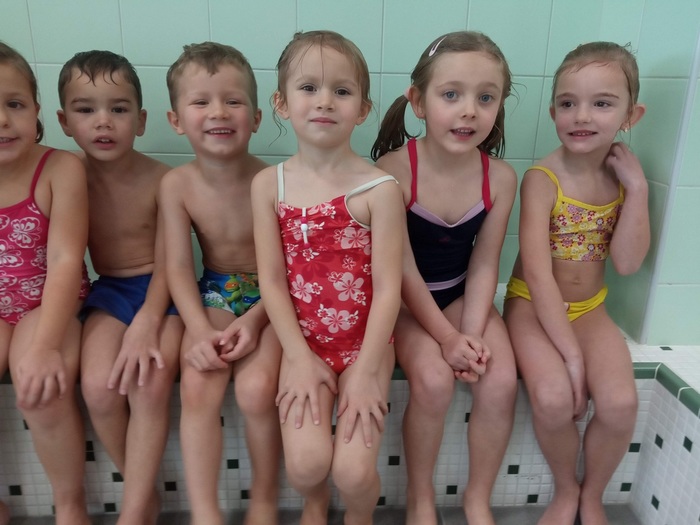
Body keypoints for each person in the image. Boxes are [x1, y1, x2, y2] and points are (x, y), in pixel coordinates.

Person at [252, 30, 404, 525]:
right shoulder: (269, 185)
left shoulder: (380, 189)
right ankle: (314, 502)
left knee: (354, 473)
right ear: (281, 102)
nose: (324, 101)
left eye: (341, 90)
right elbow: (272, 281)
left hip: (368, 345)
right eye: (308, 88)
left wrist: (366, 371)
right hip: (304, 344)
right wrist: (297, 358)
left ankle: (359, 515)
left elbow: (390, 288)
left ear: (362, 109)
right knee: (306, 465)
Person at [372, 31, 518, 525]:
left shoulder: (500, 178)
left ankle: (477, 498)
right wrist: (448, 339)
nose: (469, 111)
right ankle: (420, 499)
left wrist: (470, 334)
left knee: (500, 380)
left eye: (486, 97)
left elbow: (484, 263)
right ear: (418, 101)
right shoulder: (392, 172)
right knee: (433, 382)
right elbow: (400, 270)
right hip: (403, 302)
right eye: (451, 94)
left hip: (460, 295)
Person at [503, 42, 648, 525]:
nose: (581, 115)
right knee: (552, 397)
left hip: (590, 309)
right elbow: (537, 275)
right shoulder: (542, 178)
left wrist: (638, 189)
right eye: (568, 103)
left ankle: (592, 495)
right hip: (531, 305)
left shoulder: (623, 179)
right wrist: (571, 358)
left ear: (631, 115)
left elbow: (626, 263)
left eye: (602, 103)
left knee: (621, 403)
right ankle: (566, 489)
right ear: (553, 113)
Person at [56, 50, 184, 525]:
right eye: (85, 109)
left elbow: (173, 265)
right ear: (64, 122)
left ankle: (132, 512)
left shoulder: (163, 180)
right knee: (98, 387)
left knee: (148, 385)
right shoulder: (67, 178)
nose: (103, 121)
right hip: (109, 291)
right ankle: (141, 492)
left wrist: (149, 321)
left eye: (119, 108)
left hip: (166, 290)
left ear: (141, 120)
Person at [160, 42, 282, 525]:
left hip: (273, 297)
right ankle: (205, 511)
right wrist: (198, 331)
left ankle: (265, 499)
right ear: (176, 120)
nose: (218, 112)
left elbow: (289, 272)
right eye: (201, 102)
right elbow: (176, 267)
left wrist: (256, 321)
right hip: (214, 291)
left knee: (256, 389)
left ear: (255, 117)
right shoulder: (176, 185)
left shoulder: (274, 181)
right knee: (197, 386)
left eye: (233, 101)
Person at [0, 42, 91, 525]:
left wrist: (46, 346)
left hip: (50, 305)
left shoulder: (60, 168)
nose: (2, 120)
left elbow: (64, 260)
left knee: (40, 388)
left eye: (14, 104)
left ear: (36, 109)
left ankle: (70, 504)